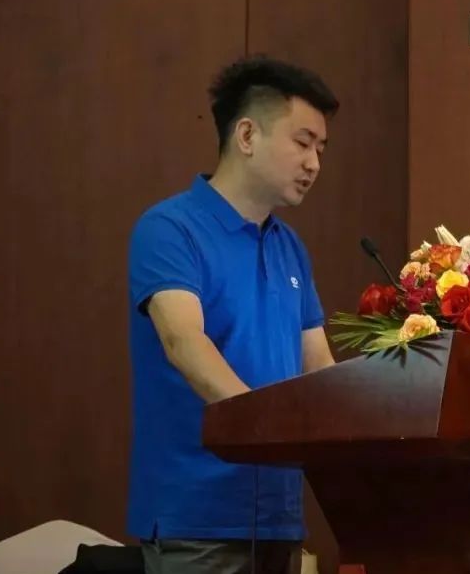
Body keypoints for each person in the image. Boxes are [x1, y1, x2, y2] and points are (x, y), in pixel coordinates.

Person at [126, 55, 340, 573]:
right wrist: (266, 430)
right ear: (246, 135)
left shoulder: (290, 247)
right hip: (196, 519)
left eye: (320, 148)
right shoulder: (170, 229)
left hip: (279, 518)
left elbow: (318, 368)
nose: (314, 163)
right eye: (303, 142)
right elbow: (184, 343)